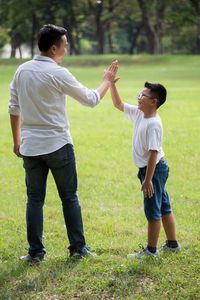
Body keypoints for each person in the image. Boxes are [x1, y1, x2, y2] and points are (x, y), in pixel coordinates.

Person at [8, 24, 118, 262]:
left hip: (31, 147)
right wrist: (107, 81)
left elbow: (13, 108)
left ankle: (35, 253)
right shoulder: (58, 73)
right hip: (58, 145)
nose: (66, 50)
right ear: (54, 47)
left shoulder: (21, 70)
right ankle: (78, 249)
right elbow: (90, 99)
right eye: (65, 46)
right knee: (69, 197)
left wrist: (17, 139)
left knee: (34, 200)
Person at [107, 76, 181, 258]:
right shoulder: (140, 113)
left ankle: (151, 250)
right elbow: (118, 104)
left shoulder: (153, 124)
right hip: (155, 169)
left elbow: (153, 154)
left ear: (154, 102)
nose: (139, 97)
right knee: (163, 206)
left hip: (153, 170)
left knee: (153, 210)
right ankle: (172, 245)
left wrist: (148, 180)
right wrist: (112, 84)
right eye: (140, 94)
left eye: (143, 95)